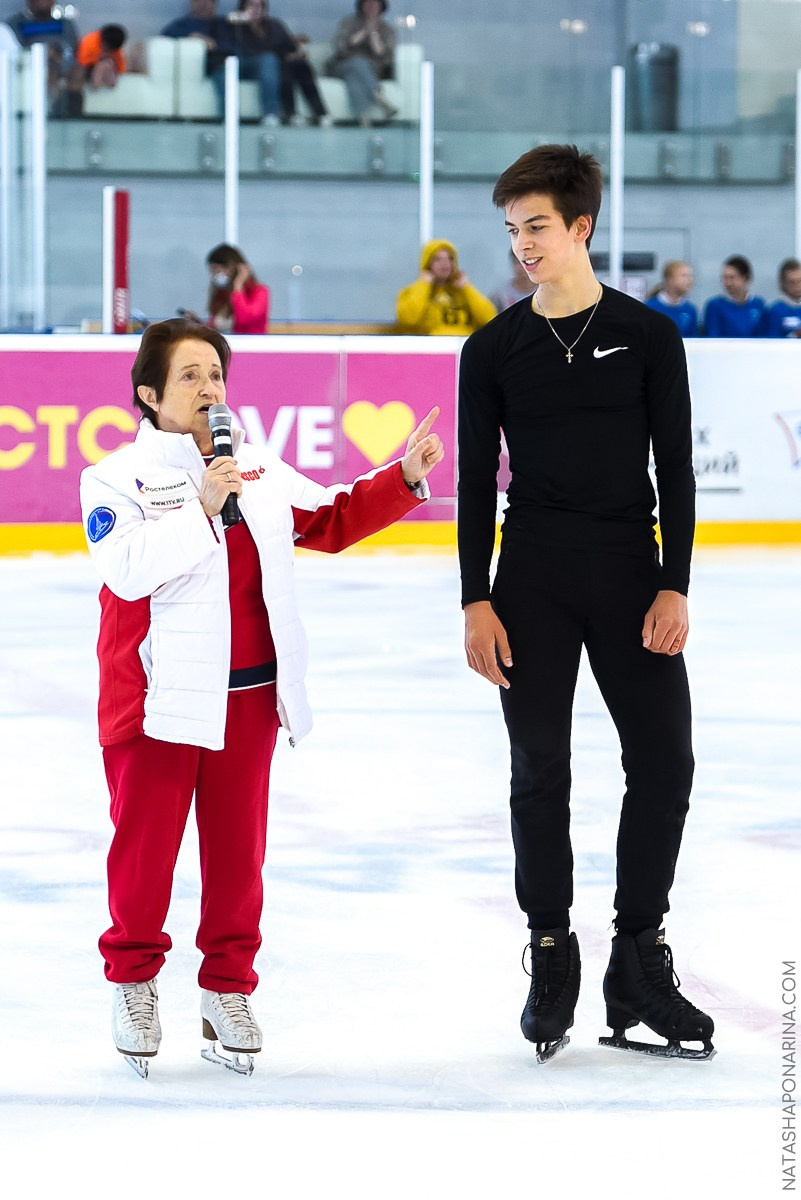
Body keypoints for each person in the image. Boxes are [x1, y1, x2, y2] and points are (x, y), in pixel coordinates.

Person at [79, 317, 443, 1078]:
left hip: (247, 701)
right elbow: (128, 570)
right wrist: (203, 508)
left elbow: (332, 519)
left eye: (215, 373)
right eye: (189, 375)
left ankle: (226, 988)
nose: (209, 388)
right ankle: (135, 983)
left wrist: (402, 476)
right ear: (149, 393)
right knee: (143, 855)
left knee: (238, 860)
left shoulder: (259, 470)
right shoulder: (114, 478)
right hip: (155, 704)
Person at [457, 144, 715, 1065]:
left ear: (580, 227)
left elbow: (675, 471)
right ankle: (550, 949)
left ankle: (637, 957)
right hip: (528, 578)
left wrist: (674, 581)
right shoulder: (491, 348)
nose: (523, 245)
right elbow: (477, 487)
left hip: (626, 571)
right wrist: (474, 599)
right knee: (539, 770)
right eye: (512, 229)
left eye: (536, 226)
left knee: (663, 763)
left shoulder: (648, 337)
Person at [231, 0, 330, 127]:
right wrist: (243, 19)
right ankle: (291, 114)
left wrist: (298, 51)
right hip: (257, 65)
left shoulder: (274, 24)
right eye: (251, 5)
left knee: (301, 66)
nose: (256, 9)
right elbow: (248, 52)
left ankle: (321, 114)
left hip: (284, 59)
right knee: (281, 66)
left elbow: (289, 44)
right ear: (242, 8)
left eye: (259, 6)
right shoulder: (238, 28)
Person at [396, 239, 497, 335]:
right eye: (437, 259)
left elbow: (490, 319)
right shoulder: (412, 291)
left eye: (450, 258)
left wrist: (467, 288)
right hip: (431, 349)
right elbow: (407, 320)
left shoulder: (463, 292)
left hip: (463, 346)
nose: (445, 263)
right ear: (427, 263)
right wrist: (423, 284)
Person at [161, 0, 239, 117]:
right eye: (200, 1)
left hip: (226, 63)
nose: (205, 5)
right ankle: (227, 118)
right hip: (203, 66)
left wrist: (214, 44)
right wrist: (193, 36)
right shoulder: (183, 24)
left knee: (228, 71)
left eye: (210, 2)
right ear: (193, 3)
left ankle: (231, 119)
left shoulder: (224, 24)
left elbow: (234, 46)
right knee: (223, 74)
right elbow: (166, 37)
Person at [5, 0, 83, 115]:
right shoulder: (16, 23)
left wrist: (59, 56)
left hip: (61, 64)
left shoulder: (64, 23)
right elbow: (15, 51)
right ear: (31, 2)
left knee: (78, 71)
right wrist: (44, 53)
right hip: (30, 67)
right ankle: (48, 114)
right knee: (49, 71)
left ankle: (72, 115)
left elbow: (72, 48)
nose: (47, 4)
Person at [328, 0, 397, 127]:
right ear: (361, 5)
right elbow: (340, 47)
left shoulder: (387, 29)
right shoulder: (349, 22)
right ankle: (378, 96)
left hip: (371, 69)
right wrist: (364, 31)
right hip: (343, 64)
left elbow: (383, 55)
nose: (371, 7)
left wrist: (373, 34)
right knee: (356, 63)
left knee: (354, 77)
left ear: (381, 7)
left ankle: (363, 118)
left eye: (375, 4)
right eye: (368, 3)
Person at [205, 243, 269, 334]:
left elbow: (245, 318)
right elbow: (216, 327)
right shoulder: (222, 293)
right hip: (225, 345)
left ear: (231, 268)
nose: (213, 275)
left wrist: (238, 286)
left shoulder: (260, 292)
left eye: (216, 269)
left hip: (249, 346)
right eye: (212, 270)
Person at [702, 255, 766, 337]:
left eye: (732, 278)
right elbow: (713, 336)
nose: (728, 283)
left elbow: (764, 335)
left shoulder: (758, 304)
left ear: (745, 278)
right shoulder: (715, 305)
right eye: (725, 278)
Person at [644, 260, 699, 337]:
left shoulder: (690, 309)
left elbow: (694, 339)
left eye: (691, 276)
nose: (689, 280)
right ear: (670, 279)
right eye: (684, 276)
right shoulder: (650, 307)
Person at [77, 24, 126, 91]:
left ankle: (107, 83)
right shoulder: (89, 42)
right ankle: (96, 84)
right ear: (103, 41)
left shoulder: (115, 47)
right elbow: (81, 60)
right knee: (103, 64)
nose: (108, 50)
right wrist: (98, 58)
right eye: (108, 48)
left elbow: (121, 66)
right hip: (87, 68)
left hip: (104, 69)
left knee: (108, 63)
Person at [764, 257, 801, 338]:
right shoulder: (775, 311)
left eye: (799, 281)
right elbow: (771, 341)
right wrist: (794, 335)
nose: (797, 286)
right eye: (792, 282)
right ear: (783, 284)